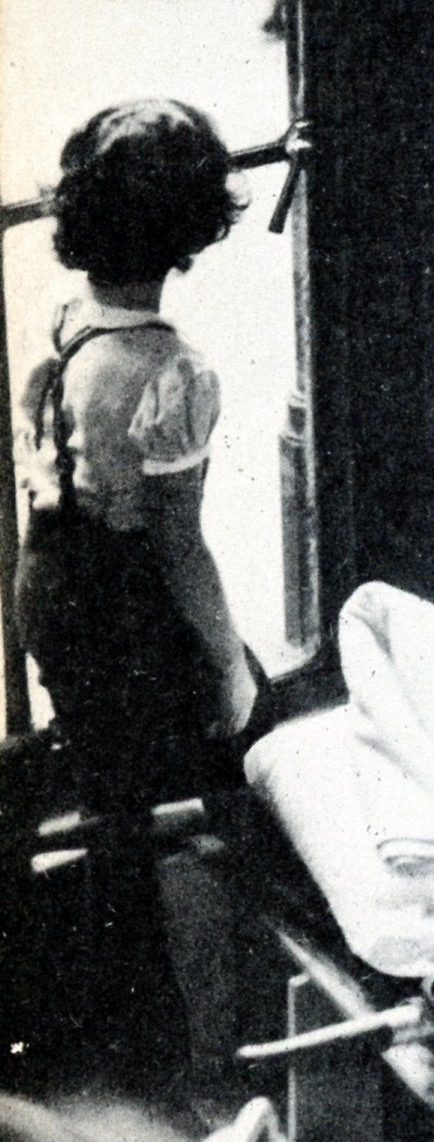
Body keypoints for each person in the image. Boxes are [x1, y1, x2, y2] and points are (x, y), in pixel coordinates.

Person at [12, 101, 265, 811]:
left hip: (46, 579)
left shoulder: (64, 315)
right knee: (237, 720)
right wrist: (228, 666)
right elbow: (178, 543)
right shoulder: (174, 373)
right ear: (190, 232)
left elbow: (34, 419)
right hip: (120, 612)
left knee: (104, 765)